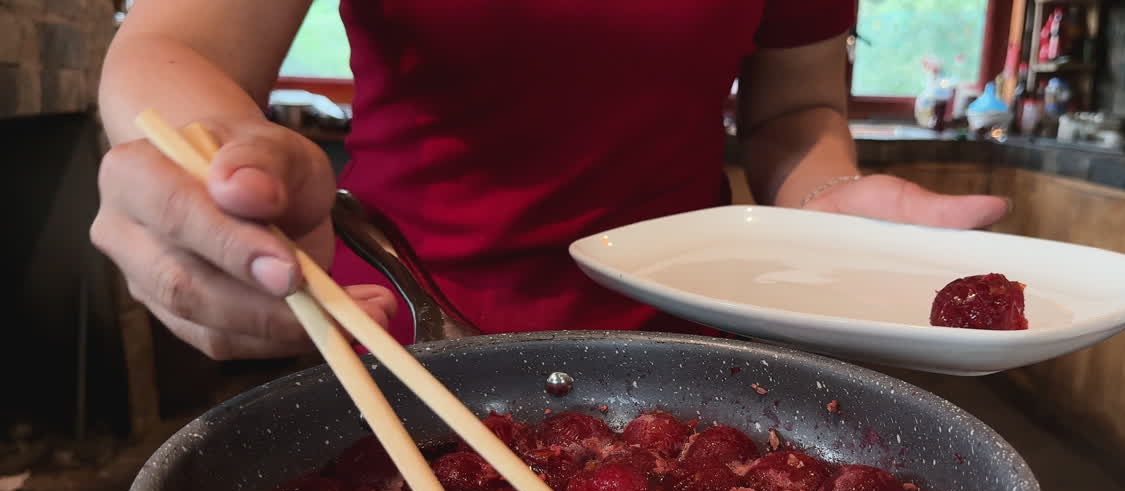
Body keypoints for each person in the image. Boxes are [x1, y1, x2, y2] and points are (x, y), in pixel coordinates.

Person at [92, 1, 1010, 360]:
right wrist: (212, 167)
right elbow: (177, 44)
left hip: (685, 349)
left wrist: (824, 201)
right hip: (396, 336)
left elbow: (793, 113)